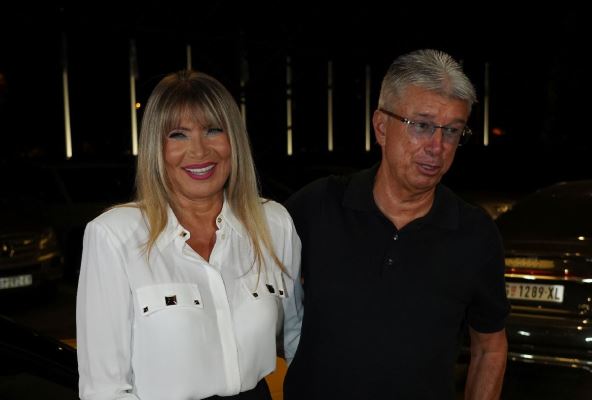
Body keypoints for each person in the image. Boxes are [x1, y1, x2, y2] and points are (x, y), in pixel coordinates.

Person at [283, 49, 510, 399]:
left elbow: (489, 348)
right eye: (421, 125)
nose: (437, 146)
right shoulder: (318, 206)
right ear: (381, 127)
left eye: (452, 131)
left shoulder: (474, 234)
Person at [76, 70, 303, 400]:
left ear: (234, 140)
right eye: (178, 135)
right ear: (156, 148)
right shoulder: (113, 236)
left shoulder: (273, 223)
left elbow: (298, 340)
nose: (199, 151)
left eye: (213, 130)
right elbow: (104, 390)